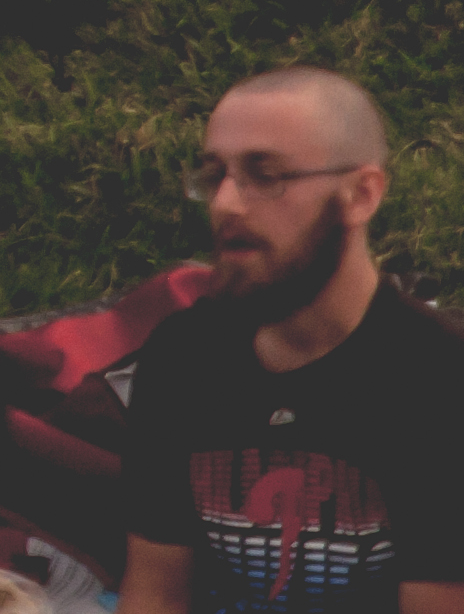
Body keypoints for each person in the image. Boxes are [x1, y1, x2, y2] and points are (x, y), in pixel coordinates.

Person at [113, 68, 464, 614]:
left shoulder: (441, 377)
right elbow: (154, 593)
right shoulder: (183, 356)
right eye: (214, 175)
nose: (227, 202)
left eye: (265, 174)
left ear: (361, 194)